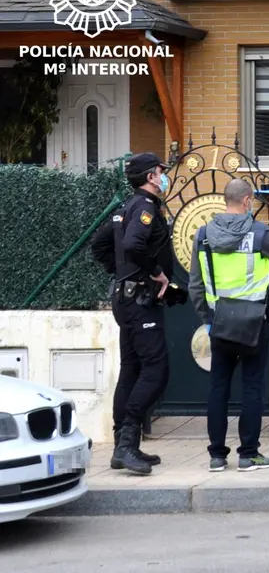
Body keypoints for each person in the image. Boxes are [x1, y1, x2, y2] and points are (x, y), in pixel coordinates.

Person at [188, 179, 269, 472]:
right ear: (248, 200)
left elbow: (195, 286)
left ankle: (216, 456)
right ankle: (249, 454)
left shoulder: (202, 236)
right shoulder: (259, 232)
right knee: (252, 387)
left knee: (218, 388)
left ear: (225, 200)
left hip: (220, 322)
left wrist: (208, 319)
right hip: (254, 322)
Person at [109, 152, 175, 476]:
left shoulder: (128, 206)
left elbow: (100, 244)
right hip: (139, 302)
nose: (165, 175)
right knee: (156, 370)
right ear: (151, 176)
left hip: (127, 299)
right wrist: (156, 273)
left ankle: (124, 444)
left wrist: (121, 275)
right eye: (162, 171)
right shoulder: (146, 207)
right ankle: (125, 444)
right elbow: (134, 246)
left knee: (132, 368)